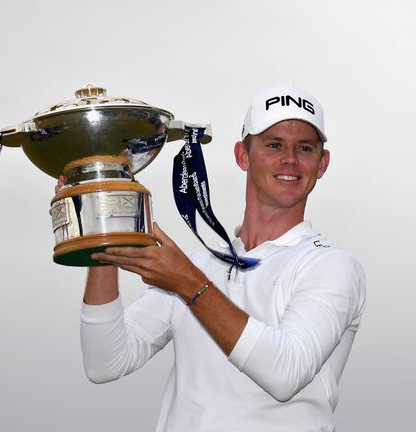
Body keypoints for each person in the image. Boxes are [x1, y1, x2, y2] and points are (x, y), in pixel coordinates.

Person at [77, 84, 366, 432]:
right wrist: (101, 218)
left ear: (323, 163)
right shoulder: (201, 267)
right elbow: (105, 361)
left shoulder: (332, 266)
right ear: (242, 156)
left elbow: (285, 372)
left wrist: (188, 283)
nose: (289, 159)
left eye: (304, 148)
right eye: (274, 145)